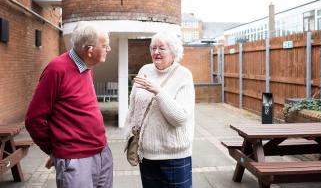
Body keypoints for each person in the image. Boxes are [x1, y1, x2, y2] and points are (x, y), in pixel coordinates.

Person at [25, 21, 113, 188]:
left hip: (102, 153)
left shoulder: (87, 67)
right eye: (105, 46)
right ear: (89, 50)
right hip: (76, 159)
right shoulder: (56, 69)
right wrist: (54, 150)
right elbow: (33, 119)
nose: (108, 50)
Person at [125, 30, 195, 188]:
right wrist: (130, 131)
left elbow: (179, 118)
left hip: (174, 157)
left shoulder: (183, 75)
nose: (156, 52)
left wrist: (158, 91)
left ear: (173, 51)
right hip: (147, 155)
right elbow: (134, 105)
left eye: (161, 48)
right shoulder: (145, 70)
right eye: (153, 48)